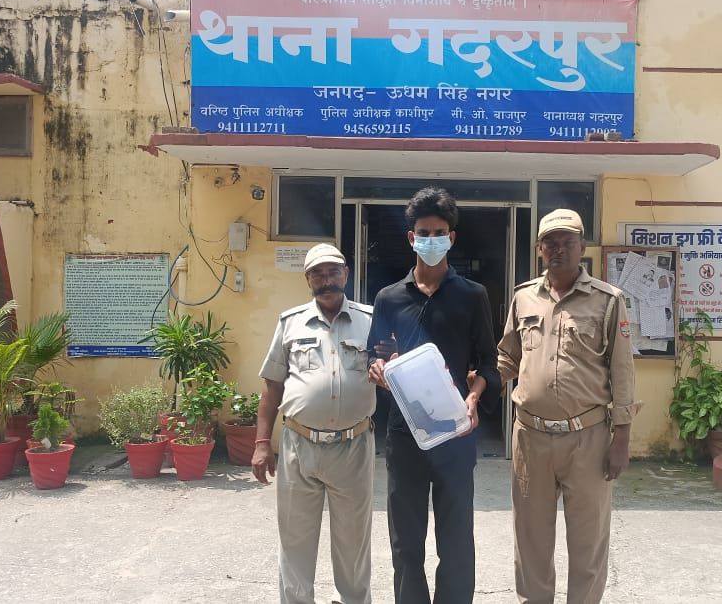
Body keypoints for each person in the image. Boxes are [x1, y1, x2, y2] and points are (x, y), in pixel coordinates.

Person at [497, 209, 641, 604]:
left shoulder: (608, 300)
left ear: (582, 247)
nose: (558, 249)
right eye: (551, 243)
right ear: (539, 249)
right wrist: (473, 384)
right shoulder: (523, 297)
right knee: (531, 537)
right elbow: (507, 358)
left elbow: (622, 371)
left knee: (588, 540)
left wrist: (621, 439)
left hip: (587, 439)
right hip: (530, 438)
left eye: (567, 242)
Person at [366, 186, 501, 604]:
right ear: (411, 238)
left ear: (451, 238)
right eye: (423, 233)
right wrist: (377, 369)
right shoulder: (389, 298)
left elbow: (490, 364)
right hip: (404, 434)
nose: (431, 239)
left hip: (454, 433)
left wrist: (474, 397)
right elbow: (374, 355)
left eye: (439, 233)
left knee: (456, 538)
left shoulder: (472, 295)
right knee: (406, 540)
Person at [253, 243, 376, 604]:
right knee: (295, 539)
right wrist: (262, 444)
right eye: (317, 274)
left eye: (333, 272)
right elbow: (272, 387)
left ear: (346, 275)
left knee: (354, 541)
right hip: (299, 446)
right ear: (307, 280)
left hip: (353, 447)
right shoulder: (290, 322)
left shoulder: (371, 320)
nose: (326, 280)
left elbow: (392, 373)